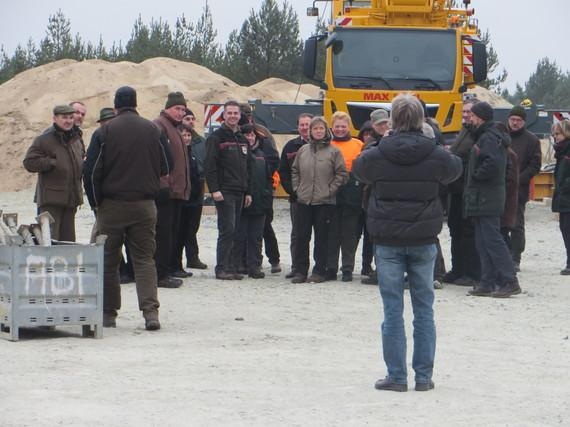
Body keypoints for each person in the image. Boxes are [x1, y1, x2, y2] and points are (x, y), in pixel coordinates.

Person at [353, 93, 462, 392]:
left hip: (387, 239)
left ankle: (397, 376)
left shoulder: (379, 151)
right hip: (424, 238)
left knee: (392, 309)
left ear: (393, 120)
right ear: (421, 119)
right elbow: (455, 170)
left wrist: (380, 141)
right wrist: (435, 142)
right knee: (424, 309)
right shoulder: (434, 152)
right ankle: (424, 377)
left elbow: (359, 169)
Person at [83, 86, 168, 331]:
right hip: (144, 205)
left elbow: (91, 172)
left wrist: (96, 203)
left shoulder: (105, 131)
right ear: (136, 103)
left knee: (109, 261)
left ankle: (109, 314)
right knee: (144, 260)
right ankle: (151, 313)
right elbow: (166, 165)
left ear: (116, 105)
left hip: (111, 205)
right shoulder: (154, 129)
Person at [464, 102, 521, 298]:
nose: (469, 118)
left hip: (487, 197)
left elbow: (494, 164)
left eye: (471, 115)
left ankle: (509, 280)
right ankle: (486, 282)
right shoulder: (487, 136)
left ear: (480, 117)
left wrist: (476, 176)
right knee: (482, 240)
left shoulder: (488, 138)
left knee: (493, 239)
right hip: (484, 197)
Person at [290, 116, 348, 283]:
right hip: (304, 201)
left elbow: (342, 174)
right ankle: (301, 271)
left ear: (326, 130)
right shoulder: (303, 150)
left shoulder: (334, 151)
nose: (318, 131)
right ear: (310, 131)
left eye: (321, 128)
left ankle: (319, 271)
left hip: (325, 202)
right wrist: (297, 188)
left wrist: (330, 191)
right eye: (315, 128)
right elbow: (295, 171)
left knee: (322, 238)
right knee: (302, 237)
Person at [205, 100, 252, 280]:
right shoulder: (216, 137)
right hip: (225, 191)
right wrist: (214, 189)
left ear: (240, 116)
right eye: (229, 113)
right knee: (227, 230)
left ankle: (232, 267)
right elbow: (210, 166)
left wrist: (248, 191)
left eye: (236, 113)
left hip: (240, 191)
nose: (233, 116)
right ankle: (222, 268)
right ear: (223, 115)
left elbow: (248, 167)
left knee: (237, 230)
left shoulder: (241, 138)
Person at [23, 104, 84, 241]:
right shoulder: (44, 139)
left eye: (70, 117)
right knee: (50, 242)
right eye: (64, 117)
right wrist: (51, 162)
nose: (68, 121)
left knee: (68, 243)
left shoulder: (76, 139)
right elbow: (29, 163)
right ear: (55, 118)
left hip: (71, 200)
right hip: (51, 201)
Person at [153, 92, 191, 287]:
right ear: (168, 108)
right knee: (163, 234)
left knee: (173, 233)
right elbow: (157, 158)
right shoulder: (160, 126)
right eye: (177, 108)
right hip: (166, 191)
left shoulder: (175, 128)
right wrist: (164, 184)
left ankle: (168, 269)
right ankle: (160, 274)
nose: (181, 112)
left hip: (177, 191)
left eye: (183, 109)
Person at [443, 99, 481, 286]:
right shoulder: (464, 131)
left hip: (467, 190)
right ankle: (457, 269)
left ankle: (471, 272)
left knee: (468, 233)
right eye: (464, 111)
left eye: (469, 112)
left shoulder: (478, 134)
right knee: (455, 230)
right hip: (455, 190)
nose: (465, 115)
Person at [232, 124, 275, 278]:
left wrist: (267, 197)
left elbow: (268, 179)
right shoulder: (237, 154)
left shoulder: (262, 155)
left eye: (252, 135)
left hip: (260, 202)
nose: (249, 138)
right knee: (239, 235)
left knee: (256, 237)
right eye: (247, 135)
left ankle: (254, 266)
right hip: (242, 202)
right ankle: (237, 265)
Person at [327, 111, 364, 282]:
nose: (340, 129)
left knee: (350, 234)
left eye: (343, 126)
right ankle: (331, 267)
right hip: (332, 190)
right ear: (332, 127)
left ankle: (347, 268)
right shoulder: (327, 144)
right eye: (337, 126)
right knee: (332, 233)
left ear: (349, 127)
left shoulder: (358, 144)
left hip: (352, 192)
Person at [505, 105, 542, 271]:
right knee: (501, 224)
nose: (515, 123)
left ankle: (515, 257)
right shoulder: (502, 136)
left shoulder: (532, 140)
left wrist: (518, 179)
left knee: (517, 224)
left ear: (524, 122)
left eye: (518, 120)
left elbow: (535, 165)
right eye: (512, 119)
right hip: (500, 188)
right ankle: (504, 254)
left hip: (519, 190)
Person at [278, 113, 313, 279]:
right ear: (298, 127)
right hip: (297, 199)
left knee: (321, 234)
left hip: (319, 199)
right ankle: (297, 267)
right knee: (298, 235)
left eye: (308, 124)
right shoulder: (290, 146)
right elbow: (283, 171)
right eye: (302, 125)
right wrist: (292, 191)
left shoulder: (323, 145)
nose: (305, 127)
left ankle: (323, 267)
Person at [360, 109, 390, 285]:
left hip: (389, 194)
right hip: (373, 194)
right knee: (376, 234)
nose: (384, 126)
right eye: (380, 124)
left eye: (386, 122)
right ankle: (378, 269)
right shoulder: (370, 145)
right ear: (373, 126)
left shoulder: (394, 140)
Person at [178, 108, 208, 270]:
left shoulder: (201, 142)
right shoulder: (176, 139)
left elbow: (206, 161)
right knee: (180, 226)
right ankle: (176, 259)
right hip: (182, 190)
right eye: (186, 118)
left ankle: (192, 257)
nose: (190, 121)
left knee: (193, 226)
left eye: (192, 118)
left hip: (197, 187)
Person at [551, 119, 570, 275]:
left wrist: (564, 185)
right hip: (564, 198)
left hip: (567, 196)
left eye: (557, 134)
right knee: (565, 228)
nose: (555, 137)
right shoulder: (561, 152)